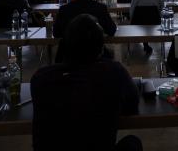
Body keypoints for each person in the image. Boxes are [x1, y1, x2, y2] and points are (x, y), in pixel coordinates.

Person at [31, 15, 142, 151]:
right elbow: (132, 106)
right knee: (133, 142)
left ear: (64, 46)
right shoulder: (114, 72)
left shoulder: (41, 78)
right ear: (101, 49)